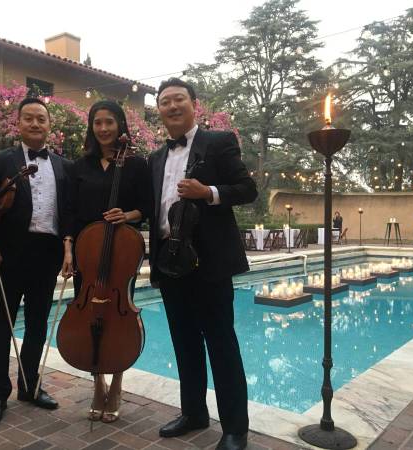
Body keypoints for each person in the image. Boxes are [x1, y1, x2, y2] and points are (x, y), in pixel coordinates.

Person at [147, 78, 257, 450]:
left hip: (209, 263)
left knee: (221, 345)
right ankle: (193, 413)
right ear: (159, 110)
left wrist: (207, 192)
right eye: (165, 101)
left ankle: (235, 429)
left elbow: (247, 189)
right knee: (184, 343)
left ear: (194, 104)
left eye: (179, 99)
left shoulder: (219, 142)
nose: (172, 106)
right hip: (169, 261)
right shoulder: (155, 158)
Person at [0, 97, 72, 428]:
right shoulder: (1, 160)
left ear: (50, 125)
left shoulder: (63, 166)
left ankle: (29, 386)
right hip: (8, 256)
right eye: (29, 118)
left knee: (38, 326)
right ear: (19, 123)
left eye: (41, 118)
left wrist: (68, 250)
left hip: (46, 255)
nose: (35, 123)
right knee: (2, 328)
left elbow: (69, 212)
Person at [61, 100, 150, 423]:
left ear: (120, 124)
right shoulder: (79, 166)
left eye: (109, 121)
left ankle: (118, 384)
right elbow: (69, 211)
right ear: (91, 126)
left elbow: (147, 206)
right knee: (87, 319)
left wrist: (126, 215)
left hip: (121, 255)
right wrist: (68, 249)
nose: (103, 128)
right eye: (97, 122)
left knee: (118, 323)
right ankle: (97, 383)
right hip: (87, 254)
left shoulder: (136, 165)